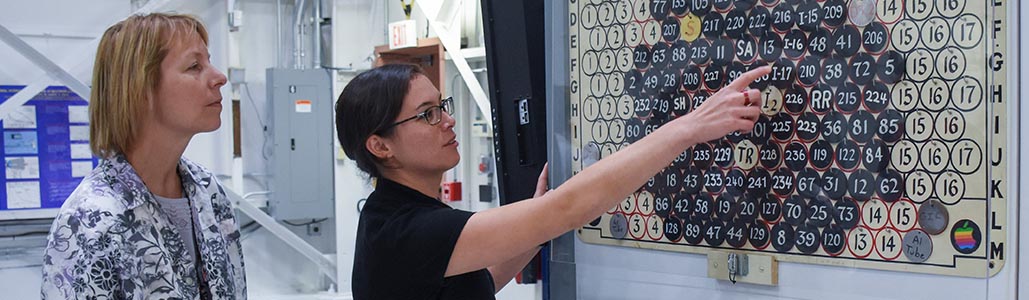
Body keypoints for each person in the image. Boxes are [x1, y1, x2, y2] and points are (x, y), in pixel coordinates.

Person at [335, 63, 769, 299]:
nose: (449, 120)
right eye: (428, 114)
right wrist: (691, 126)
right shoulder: (407, 232)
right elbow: (564, 209)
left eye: (442, 105)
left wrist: (536, 229)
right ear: (380, 146)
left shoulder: (398, 217)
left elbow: (477, 283)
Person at [41, 13, 246, 299]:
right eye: (194, 66)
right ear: (140, 89)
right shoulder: (89, 222)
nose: (219, 77)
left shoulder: (210, 193)